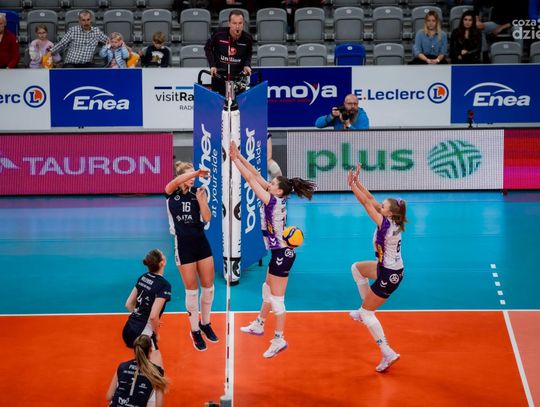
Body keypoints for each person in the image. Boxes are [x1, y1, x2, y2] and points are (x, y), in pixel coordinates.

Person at [230, 141, 316, 358]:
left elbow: (250, 180)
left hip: (282, 255)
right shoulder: (276, 195)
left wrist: (234, 161)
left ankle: (279, 339)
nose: (269, 182)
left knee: (278, 300)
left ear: (278, 190)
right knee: (267, 289)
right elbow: (255, 173)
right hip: (279, 253)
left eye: (273, 182)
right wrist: (239, 155)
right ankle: (259, 324)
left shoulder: (271, 201)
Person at [347, 165, 407, 373]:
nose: (379, 206)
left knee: (367, 313)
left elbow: (366, 203)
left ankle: (387, 352)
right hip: (386, 267)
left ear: (389, 212)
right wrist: (357, 182)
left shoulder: (385, 225)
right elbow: (371, 198)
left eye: (383, 206)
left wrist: (351, 187)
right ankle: (365, 309)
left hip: (390, 275)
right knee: (357, 269)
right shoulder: (391, 218)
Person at [165, 161, 218, 352]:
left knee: (208, 287)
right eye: (189, 176)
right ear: (181, 177)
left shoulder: (198, 192)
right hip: (183, 245)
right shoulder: (171, 193)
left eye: (193, 177)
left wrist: (202, 201)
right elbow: (174, 183)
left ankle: (205, 323)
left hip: (201, 242)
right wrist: (195, 173)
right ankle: (194, 330)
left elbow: (207, 217)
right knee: (192, 290)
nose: (192, 180)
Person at [122, 249, 171, 367]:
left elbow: (128, 304)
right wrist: (156, 333)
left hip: (128, 329)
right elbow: (153, 316)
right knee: (158, 370)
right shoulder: (164, 285)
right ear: (162, 262)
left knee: (143, 363)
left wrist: (140, 316)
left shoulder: (143, 277)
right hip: (143, 333)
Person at [106, 334, 168, 407]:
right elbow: (159, 405)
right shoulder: (157, 371)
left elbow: (109, 396)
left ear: (134, 350)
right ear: (150, 350)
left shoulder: (122, 366)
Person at [204, 9, 253, 96]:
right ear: (229, 23)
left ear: (243, 24)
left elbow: (249, 53)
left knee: (238, 103)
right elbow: (208, 48)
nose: (237, 26)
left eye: (240, 23)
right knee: (218, 103)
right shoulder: (218, 34)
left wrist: (247, 65)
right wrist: (212, 65)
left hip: (238, 78)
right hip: (219, 77)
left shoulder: (248, 38)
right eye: (234, 23)